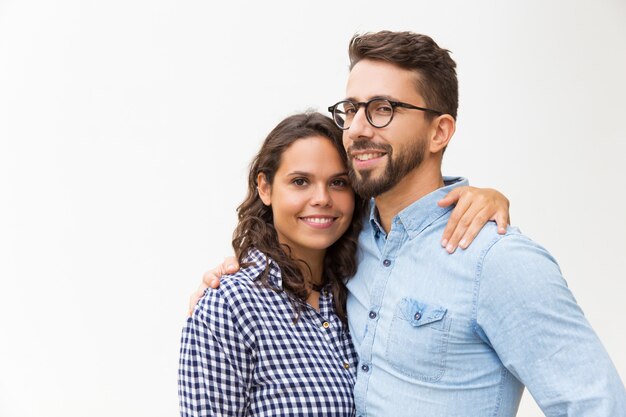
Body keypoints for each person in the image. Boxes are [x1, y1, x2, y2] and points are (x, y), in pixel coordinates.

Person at [194, 31, 626, 416]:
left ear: (440, 132)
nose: (358, 129)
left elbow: (597, 405)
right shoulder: (350, 240)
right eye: (352, 109)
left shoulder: (496, 259)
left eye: (383, 109)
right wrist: (235, 271)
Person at [179, 111, 511, 417]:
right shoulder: (229, 306)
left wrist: (486, 196)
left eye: (339, 182)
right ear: (265, 187)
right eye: (300, 181)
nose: (322, 198)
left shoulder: (361, 284)